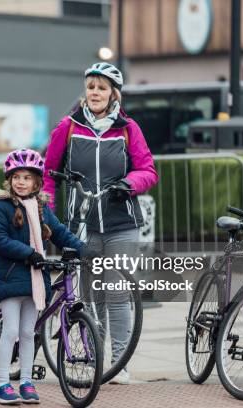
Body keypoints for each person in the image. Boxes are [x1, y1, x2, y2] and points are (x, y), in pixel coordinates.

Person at [43, 62, 158, 384]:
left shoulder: (127, 128)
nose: (95, 93)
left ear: (113, 94)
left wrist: (129, 184)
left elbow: (148, 170)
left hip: (123, 224)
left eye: (102, 88)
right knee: (92, 298)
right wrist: (49, 215)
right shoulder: (67, 127)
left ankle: (119, 364)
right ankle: (94, 361)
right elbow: (49, 175)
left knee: (117, 295)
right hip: (82, 226)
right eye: (91, 87)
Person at [0, 148, 83, 404]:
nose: (21, 182)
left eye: (27, 178)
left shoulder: (41, 208)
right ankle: (2, 383)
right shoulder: (2, 207)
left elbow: (61, 233)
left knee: (29, 333)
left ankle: (27, 381)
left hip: (35, 280)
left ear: (37, 182)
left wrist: (86, 251)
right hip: (10, 277)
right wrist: (28, 253)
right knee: (10, 331)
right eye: (16, 177)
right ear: (9, 180)